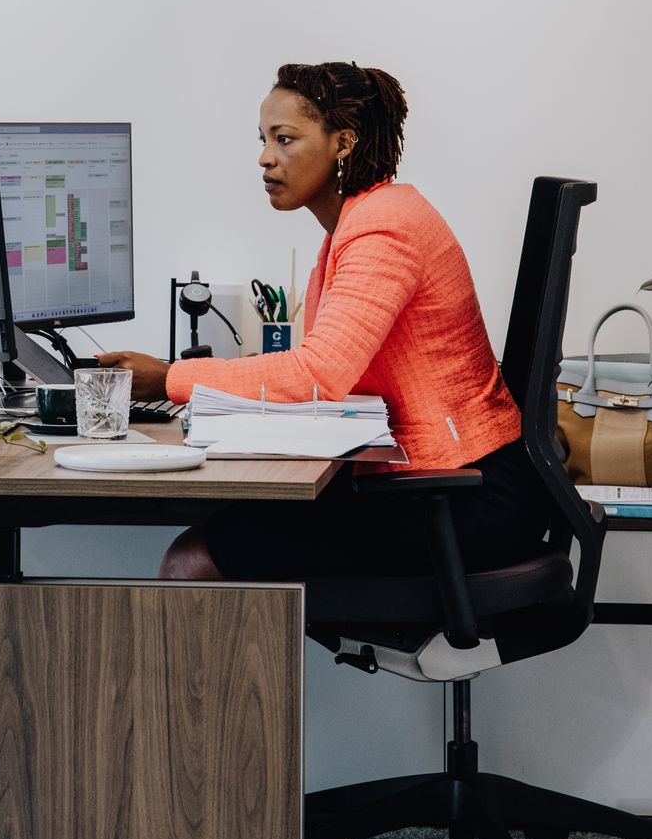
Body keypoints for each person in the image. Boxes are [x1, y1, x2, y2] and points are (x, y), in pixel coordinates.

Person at [96, 60, 554, 582]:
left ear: (344, 142)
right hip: (444, 483)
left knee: (194, 559)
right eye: (264, 139)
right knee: (223, 528)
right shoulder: (357, 222)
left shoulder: (383, 228)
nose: (266, 158)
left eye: (285, 139)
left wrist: (169, 378)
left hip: (463, 498)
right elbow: (331, 372)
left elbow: (320, 373)